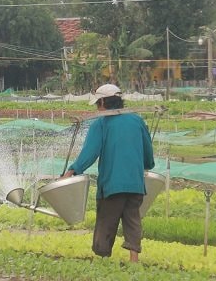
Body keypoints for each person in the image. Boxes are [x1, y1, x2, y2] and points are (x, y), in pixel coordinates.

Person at [64, 83, 155, 263]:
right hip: (135, 184)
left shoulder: (101, 124)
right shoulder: (137, 121)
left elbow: (90, 153)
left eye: (98, 103)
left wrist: (72, 170)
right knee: (132, 220)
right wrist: (146, 165)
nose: (98, 108)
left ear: (104, 101)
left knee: (106, 222)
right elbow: (148, 152)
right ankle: (134, 260)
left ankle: (103, 259)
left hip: (112, 184)